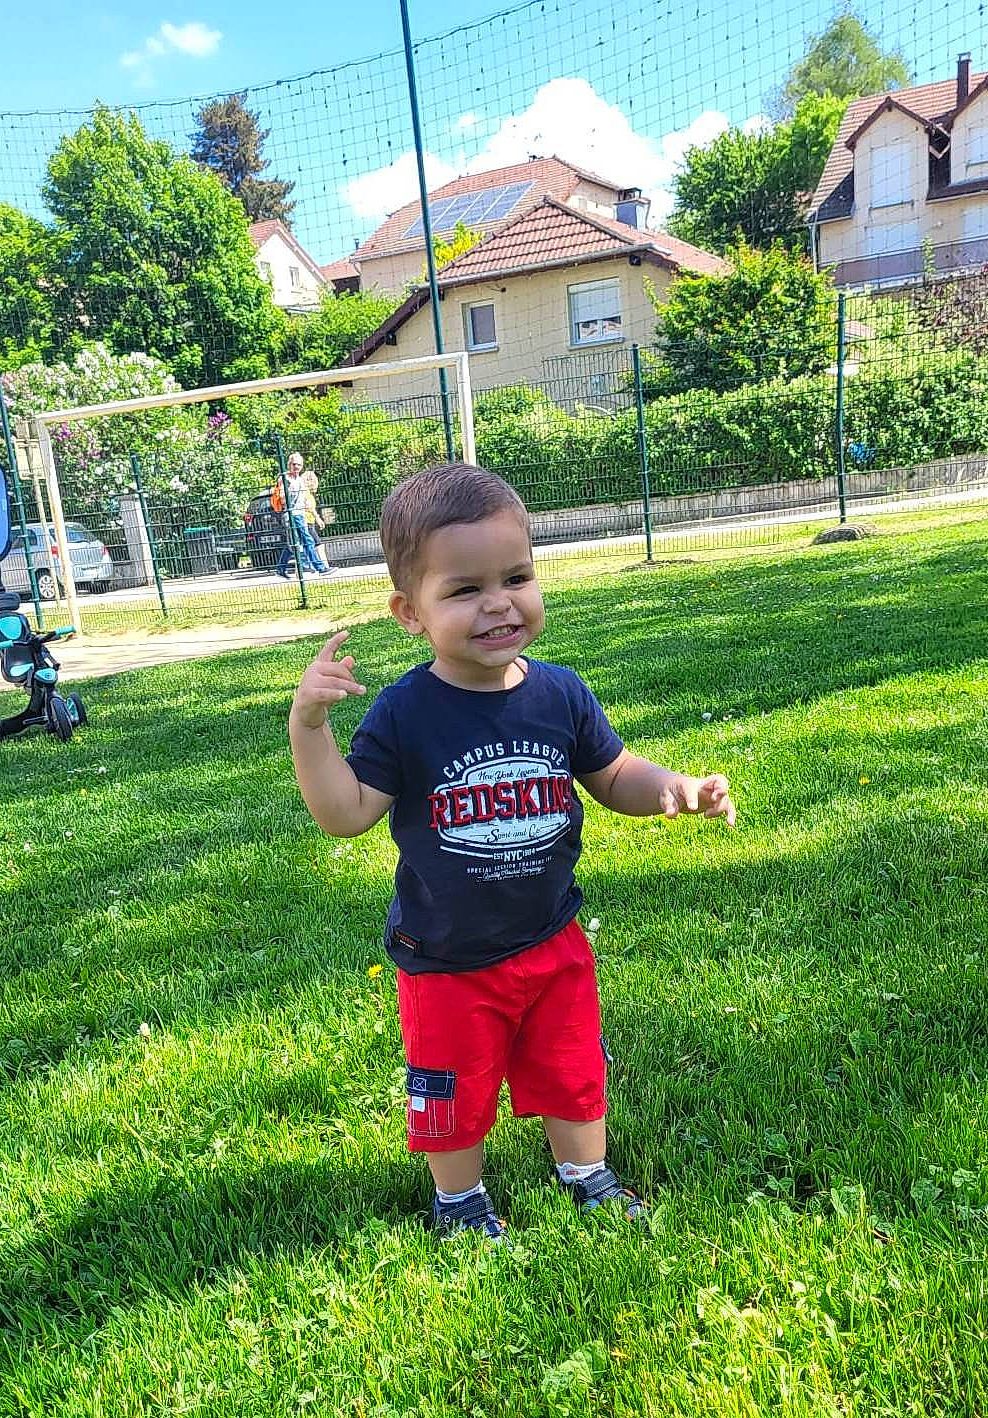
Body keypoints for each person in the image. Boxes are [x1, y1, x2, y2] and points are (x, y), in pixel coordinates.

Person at [287, 462, 735, 1243]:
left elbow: (614, 774)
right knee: (451, 1088)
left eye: (517, 576)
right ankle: (460, 1198)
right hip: (448, 959)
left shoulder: (560, 693)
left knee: (573, 1067)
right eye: (463, 590)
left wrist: (676, 787)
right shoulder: (403, 713)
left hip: (551, 939)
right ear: (409, 612)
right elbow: (345, 814)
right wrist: (309, 730)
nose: (498, 602)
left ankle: (586, 1172)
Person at [274, 452, 331, 577]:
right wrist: (291, 491)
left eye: (299, 465)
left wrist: (317, 517)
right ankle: (320, 568)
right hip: (290, 515)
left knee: (299, 542)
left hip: (300, 514)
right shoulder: (284, 478)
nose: (297, 467)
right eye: (294, 464)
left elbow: (306, 500)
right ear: (289, 464)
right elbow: (283, 499)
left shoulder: (300, 480)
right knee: (302, 542)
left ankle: (280, 569)